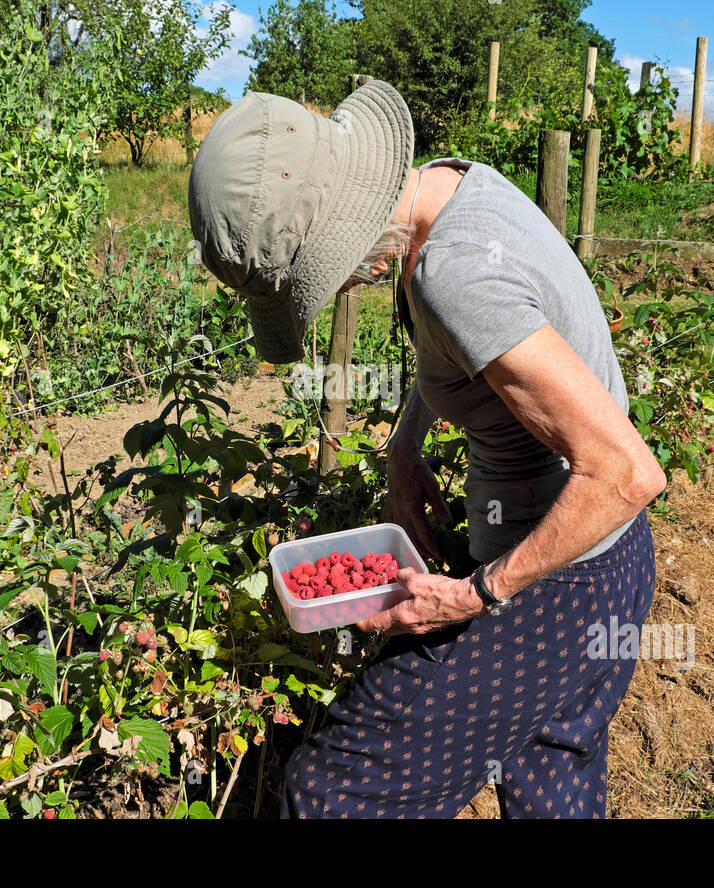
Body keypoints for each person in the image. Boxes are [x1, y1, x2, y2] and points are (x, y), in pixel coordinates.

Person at [188, 80, 665, 818]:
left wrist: (472, 596)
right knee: (549, 781)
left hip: (557, 585)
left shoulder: (457, 272)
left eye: (319, 276)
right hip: (609, 566)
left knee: (335, 793)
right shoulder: (449, 189)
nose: (337, 288)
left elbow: (627, 471)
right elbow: (468, 349)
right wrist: (404, 448)